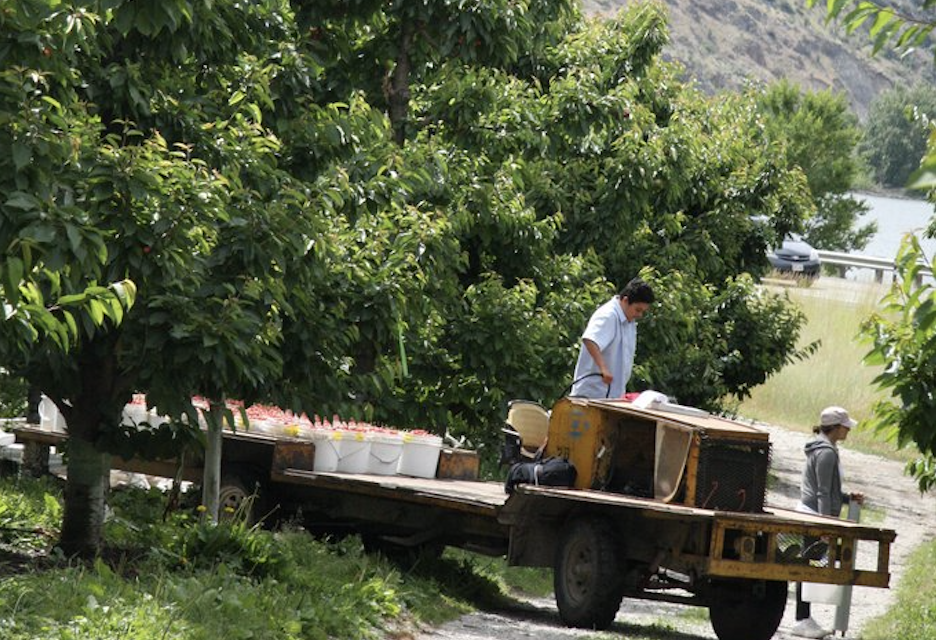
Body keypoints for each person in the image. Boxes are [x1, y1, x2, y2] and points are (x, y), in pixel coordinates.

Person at [791, 405, 865, 639]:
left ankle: (804, 618)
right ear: (835, 428)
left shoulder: (825, 448)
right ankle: (803, 619)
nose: (848, 431)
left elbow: (828, 489)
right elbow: (822, 491)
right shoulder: (826, 452)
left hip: (813, 511)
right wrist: (826, 524)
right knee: (810, 565)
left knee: (810, 563)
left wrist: (845, 498)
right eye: (845, 427)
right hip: (815, 513)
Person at [570, 277, 654, 399]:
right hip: (590, 395)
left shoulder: (629, 322)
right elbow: (590, 340)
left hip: (612, 396)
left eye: (642, 312)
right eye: (637, 310)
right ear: (625, 300)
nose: (639, 315)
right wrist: (604, 369)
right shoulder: (608, 315)